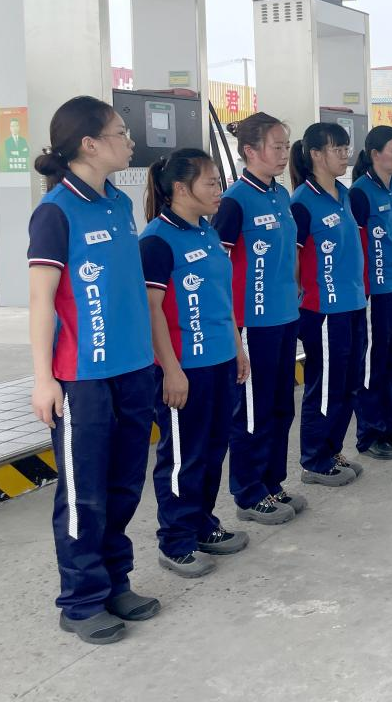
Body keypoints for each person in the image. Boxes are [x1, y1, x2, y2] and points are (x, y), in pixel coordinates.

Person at [27, 96, 159, 645]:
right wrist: (43, 379)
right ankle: (81, 602)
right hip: (82, 377)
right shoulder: (56, 211)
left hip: (134, 368)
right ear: (89, 144)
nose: (130, 142)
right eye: (121, 132)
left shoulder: (118, 203)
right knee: (85, 494)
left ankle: (114, 582)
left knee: (125, 484)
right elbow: (41, 301)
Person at [140, 149, 250, 579]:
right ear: (181, 189)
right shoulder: (157, 240)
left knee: (213, 449)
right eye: (211, 182)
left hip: (220, 360)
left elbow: (222, 299)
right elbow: (152, 312)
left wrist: (237, 348)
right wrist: (171, 370)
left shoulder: (206, 231)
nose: (219, 190)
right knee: (182, 456)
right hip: (185, 368)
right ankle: (176, 541)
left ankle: (203, 524)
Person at [212, 113, 305, 525]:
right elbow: (218, 266)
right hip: (253, 323)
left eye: (286, 146)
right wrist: (230, 326)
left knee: (281, 405)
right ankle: (248, 493)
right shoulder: (234, 201)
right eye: (276, 146)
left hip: (285, 317)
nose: (284, 154)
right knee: (253, 410)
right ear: (250, 151)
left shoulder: (280, 195)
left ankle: (272, 482)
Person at [289, 123, 369, 486]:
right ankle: (314, 459)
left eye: (345, 148)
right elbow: (293, 263)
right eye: (337, 149)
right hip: (323, 310)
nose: (344, 156)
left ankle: (333, 448)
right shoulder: (302, 203)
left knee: (349, 381)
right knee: (325, 386)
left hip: (352, 304)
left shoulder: (344, 194)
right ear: (316, 155)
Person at [350, 126, 392, 459]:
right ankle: (370, 432)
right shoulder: (360, 193)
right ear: (375, 154)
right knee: (374, 364)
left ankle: (391, 423)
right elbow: (355, 247)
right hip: (377, 292)